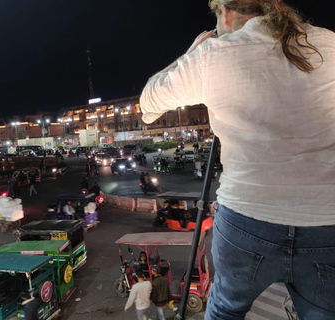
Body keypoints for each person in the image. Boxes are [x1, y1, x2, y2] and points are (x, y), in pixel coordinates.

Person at [140, 1, 335, 319]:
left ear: (226, 13)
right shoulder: (329, 42)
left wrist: (191, 53)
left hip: (247, 220)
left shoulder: (212, 55)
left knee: (225, 309)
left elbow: (148, 103)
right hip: (327, 223)